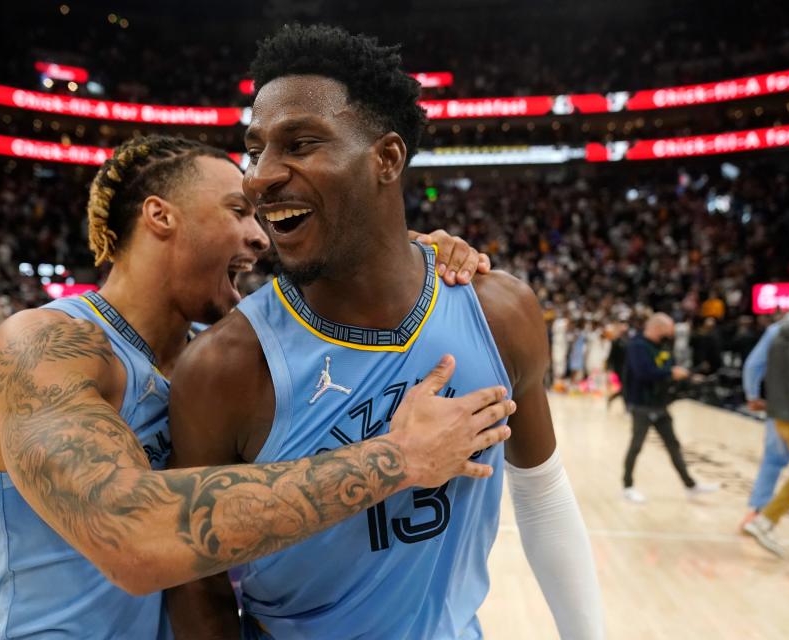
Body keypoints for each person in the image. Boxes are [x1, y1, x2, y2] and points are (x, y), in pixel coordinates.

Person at [0, 134, 510, 639]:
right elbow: (133, 538)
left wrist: (403, 255)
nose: (260, 234)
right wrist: (397, 458)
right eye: (238, 211)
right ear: (160, 215)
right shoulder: (43, 345)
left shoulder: (219, 360)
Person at [167, 25, 603, 640]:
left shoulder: (498, 311)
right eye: (255, 148)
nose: (261, 176)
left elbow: (542, 495)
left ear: (387, 158)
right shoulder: (224, 366)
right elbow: (196, 581)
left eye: (300, 142)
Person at [743, 296, 789, 557]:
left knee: (782, 465)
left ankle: (759, 514)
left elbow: (753, 365)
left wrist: (753, 396)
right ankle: (765, 521)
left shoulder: (778, 329)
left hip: (779, 413)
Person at [621, 313, 719, 503]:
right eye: (669, 329)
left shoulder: (663, 346)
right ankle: (628, 486)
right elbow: (643, 373)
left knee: (673, 445)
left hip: (660, 404)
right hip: (642, 404)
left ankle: (690, 485)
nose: (671, 333)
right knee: (636, 446)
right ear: (657, 327)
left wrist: (687, 376)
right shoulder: (637, 346)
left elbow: (670, 368)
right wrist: (670, 373)